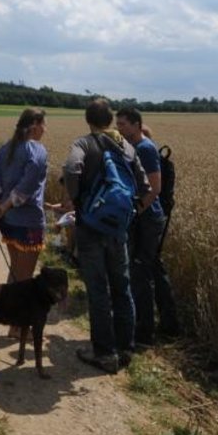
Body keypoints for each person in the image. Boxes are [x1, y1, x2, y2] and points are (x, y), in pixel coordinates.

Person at [65, 97, 142, 373]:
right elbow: (142, 184)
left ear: (88, 119)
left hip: (90, 228)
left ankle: (105, 353)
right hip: (118, 229)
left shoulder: (83, 144)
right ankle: (125, 349)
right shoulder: (127, 146)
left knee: (98, 290)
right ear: (110, 119)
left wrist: (78, 201)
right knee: (122, 287)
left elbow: (71, 169)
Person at [116, 107, 178, 347]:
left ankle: (144, 333)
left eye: (122, 124)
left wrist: (134, 212)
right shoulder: (135, 148)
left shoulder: (145, 149)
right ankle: (169, 324)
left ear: (136, 125)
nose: (119, 128)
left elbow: (155, 188)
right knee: (153, 269)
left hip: (147, 219)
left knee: (140, 273)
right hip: (146, 217)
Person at [0, 108, 49, 287]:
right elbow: (28, 184)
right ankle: (16, 313)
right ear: (35, 126)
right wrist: (6, 206)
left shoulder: (4, 149)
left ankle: (7, 311)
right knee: (24, 279)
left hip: (6, 221)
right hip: (28, 221)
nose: (45, 130)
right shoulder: (37, 150)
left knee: (16, 272)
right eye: (44, 125)